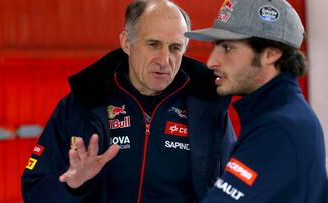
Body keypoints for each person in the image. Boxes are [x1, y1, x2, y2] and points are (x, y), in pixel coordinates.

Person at [21, 0, 235, 202]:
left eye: (175, 48)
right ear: (126, 42)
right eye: (153, 44)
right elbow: (34, 192)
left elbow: (235, 190)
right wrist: (72, 185)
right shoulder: (82, 104)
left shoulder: (207, 109)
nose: (164, 60)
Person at [185, 0, 328, 202]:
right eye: (215, 46)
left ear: (271, 54)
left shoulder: (279, 127)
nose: (211, 62)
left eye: (227, 48)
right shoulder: (281, 114)